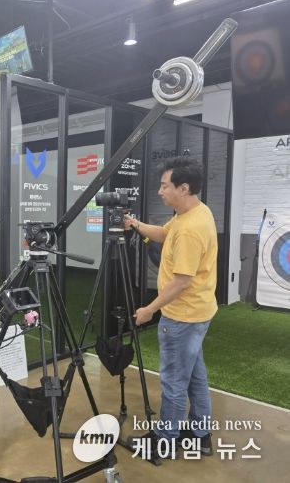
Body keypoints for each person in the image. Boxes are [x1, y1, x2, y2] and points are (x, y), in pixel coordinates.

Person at [126, 157, 217, 458]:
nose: (160, 191)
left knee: (174, 381)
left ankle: (165, 439)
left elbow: (181, 282)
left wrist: (149, 309)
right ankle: (201, 435)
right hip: (198, 312)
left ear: (184, 188)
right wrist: (136, 224)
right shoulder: (192, 212)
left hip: (182, 316)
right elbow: (165, 234)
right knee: (194, 377)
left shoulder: (191, 228)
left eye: (165, 186)